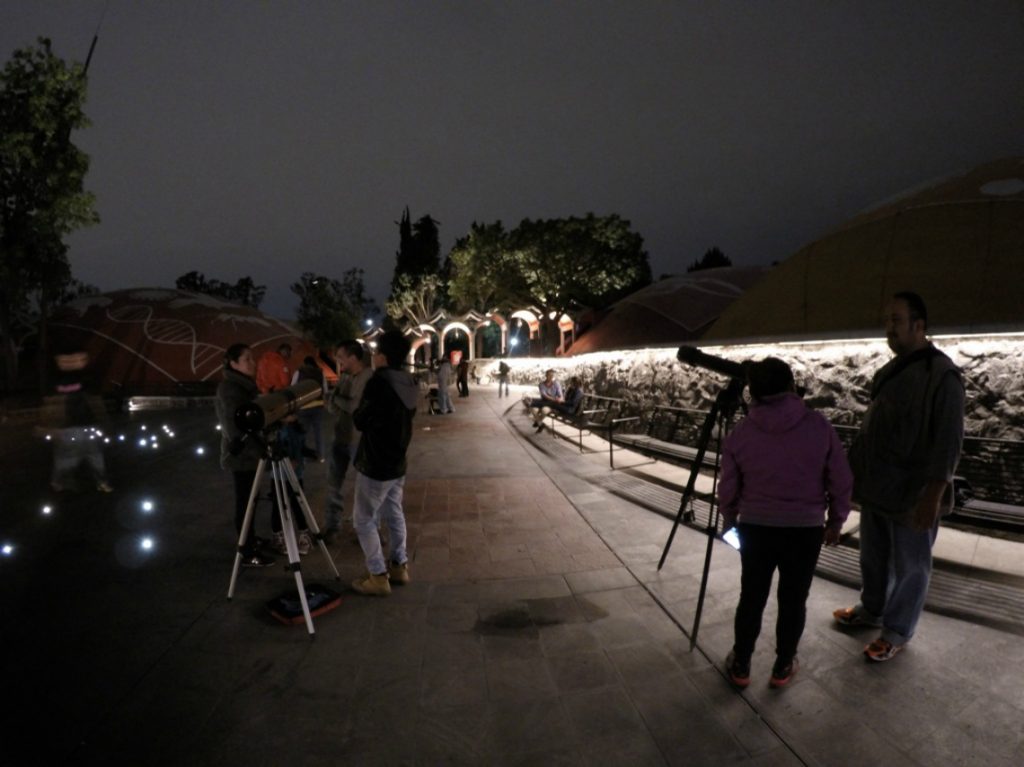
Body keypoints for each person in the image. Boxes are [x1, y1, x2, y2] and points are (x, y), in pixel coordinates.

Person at [834, 291, 965, 662]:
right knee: (872, 557)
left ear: (919, 325)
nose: (889, 329)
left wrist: (933, 495)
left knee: (912, 566)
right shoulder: (887, 372)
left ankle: (897, 630)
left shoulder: (943, 375)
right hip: (878, 487)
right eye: (886, 321)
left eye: (896, 320)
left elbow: (948, 441)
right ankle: (872, 609)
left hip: (914, 493)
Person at [718, 358, 853, 689]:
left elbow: (729, 484)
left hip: (756, 528)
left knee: (752, 595)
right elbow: (840, 479)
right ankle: (782, 665)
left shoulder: (742, 431)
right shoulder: (818, 426)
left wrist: (729, 515)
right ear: (792, 386)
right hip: (804, 530)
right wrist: (836, 520)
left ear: (755, 392)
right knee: (793, 599)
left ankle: (742, 663)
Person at [350, 330, 418, 596]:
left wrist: (357, 410)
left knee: (364, 519)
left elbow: (361, 420)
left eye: (376, 352)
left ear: (384, 356)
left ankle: (378, 575)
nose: (373, 356)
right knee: (393, 512)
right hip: (398, 460)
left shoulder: (379, 382)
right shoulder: (409, 382)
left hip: (375, 462)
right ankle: (399, 566)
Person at [215, 343, 275, 567]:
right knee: (246, 503)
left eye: (252, 358)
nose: (253, 362)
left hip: (250, 455)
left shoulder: (244, 386)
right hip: (242, 456)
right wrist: (260, 451)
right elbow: (237, 429)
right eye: (247, 359)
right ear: (233, 364)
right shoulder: (230, 389)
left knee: (251, 500)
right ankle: (246, 550)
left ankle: (249, 539)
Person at [323, 340, 372, 543]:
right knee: (334, 485)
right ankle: (332, 526)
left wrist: (335, 399)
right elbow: (332, 406)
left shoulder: (368, 377)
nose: (338, 361)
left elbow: (354, 406)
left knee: (364, 488)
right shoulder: (344, 377)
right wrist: (336, 401)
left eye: (341, 357)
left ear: (353, 357)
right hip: (340, 437)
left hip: (358, 440)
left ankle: (366, 530)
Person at [48, 349, 113, 493]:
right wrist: (51, 425)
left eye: (76, 359)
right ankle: (58, 481)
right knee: (65, 458)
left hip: (87, 425)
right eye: (66, 360)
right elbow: (53, 404)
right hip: (68, 428)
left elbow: (95, 400)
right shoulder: (57, 381)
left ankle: (101, 482)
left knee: (94, 457)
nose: (71, 362)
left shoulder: (87, 379)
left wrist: (103, 421)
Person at [293, 355, 326, 461]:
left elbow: (293, 387)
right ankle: (320, 456)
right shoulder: (320, 372)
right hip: (318, 406)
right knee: (318, 432)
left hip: (304, 407)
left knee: (302, 433)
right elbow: (325, 389)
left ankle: (300, 456)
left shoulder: (299, 372)